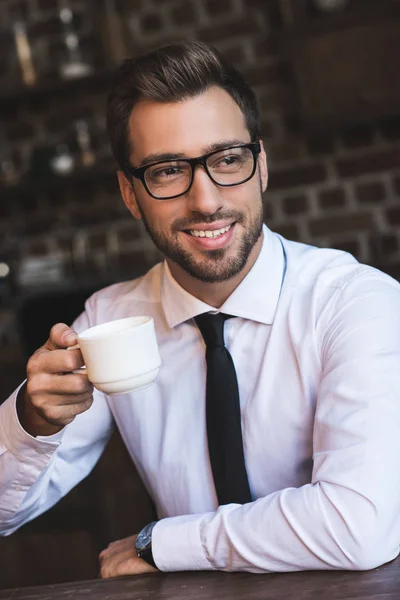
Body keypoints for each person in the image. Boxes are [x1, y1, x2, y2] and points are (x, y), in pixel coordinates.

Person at [1, 40, 400, 578]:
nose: (206, 200)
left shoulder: (356, 303)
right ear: (129, 192)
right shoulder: (108, 321)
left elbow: (357, 527)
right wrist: (31, 422)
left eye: (227, 160)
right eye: (168, 171)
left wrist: (159, 543)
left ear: (261, 166)